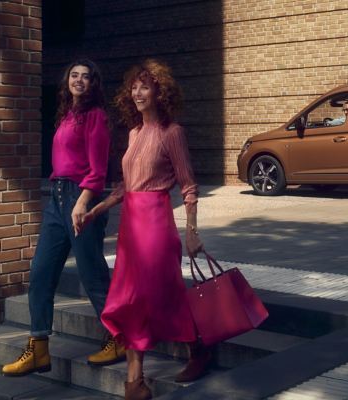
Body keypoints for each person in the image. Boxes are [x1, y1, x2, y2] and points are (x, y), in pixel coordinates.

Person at [78, 59, 208, 400]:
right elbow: (125, 187)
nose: (137, 93)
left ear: (159, 92)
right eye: (134, 87)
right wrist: (96, 210)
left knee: (157, 294)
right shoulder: (134, 133)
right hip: (130, 227)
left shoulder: (172, 132)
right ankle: (135, 382)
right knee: (133, 297)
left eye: (145, 87)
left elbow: (189, 186)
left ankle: (192, 351)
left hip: (156, 223)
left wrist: (192, 232)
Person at [1, 59, 126, 377]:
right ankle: (39, 348)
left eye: (86, 76)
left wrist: (82, 204)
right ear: (67, 80)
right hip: (56, 200)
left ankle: (118, 336)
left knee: (92, 274)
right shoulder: (67, 114)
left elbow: (98, 172)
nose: (79, 80)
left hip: (80, 199)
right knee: (41, 274)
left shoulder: (95, 117)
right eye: (74, 75)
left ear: (93, 83)